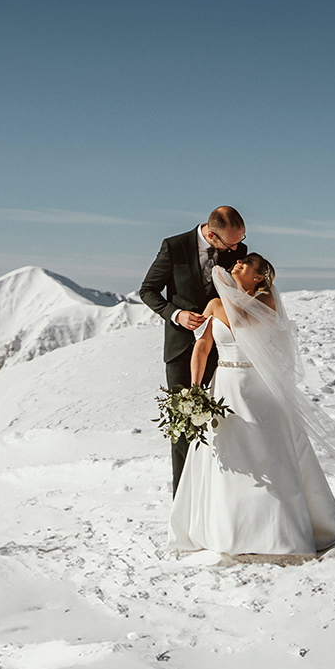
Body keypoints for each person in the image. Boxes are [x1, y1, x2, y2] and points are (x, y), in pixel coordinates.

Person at [167, 255, 335, 562]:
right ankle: (228, 530)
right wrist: (194, 389)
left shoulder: (265, 300)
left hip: (258, 387)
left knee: (266, 452)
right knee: (227, 455)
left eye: (247, 265)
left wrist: (227, 292)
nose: (238, 264)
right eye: (238, 263)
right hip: (225, 384)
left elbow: (242, 323)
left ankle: (276, 532)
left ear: (259, 277)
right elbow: (201, 348)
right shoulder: (216, 304)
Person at [138, 207, 248, 492]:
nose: (238, 248)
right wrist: (176, 314)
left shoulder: (237, 249)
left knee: (222, 430)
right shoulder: (174, 247)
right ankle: (183, 506)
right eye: (230, 244)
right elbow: (148, 290)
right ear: (211, 234)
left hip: (222, 353)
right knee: (184, 430)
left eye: (241, 240)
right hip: (181, 350)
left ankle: (217, 501)